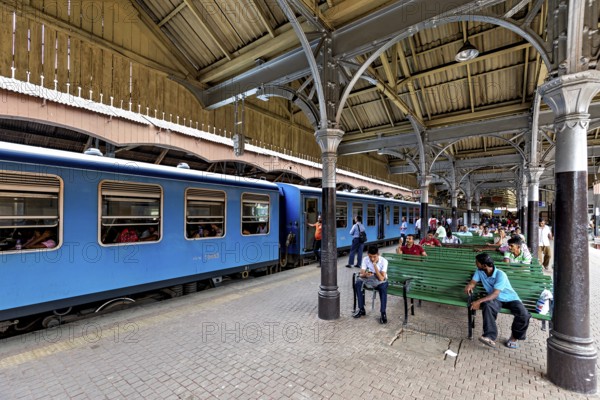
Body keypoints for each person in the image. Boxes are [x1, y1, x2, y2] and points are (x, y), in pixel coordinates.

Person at [464, 253, 530, 349]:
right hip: (496, 299)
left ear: (484, 265)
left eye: (477, 262)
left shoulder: (500, 274)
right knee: (488, 306)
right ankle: (489, 337)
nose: (475, 264)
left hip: (511, 299)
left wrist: (478, 301)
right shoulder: (479, 271)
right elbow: (473, 282)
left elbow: (495, 293)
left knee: (524, 314)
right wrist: (470, 285)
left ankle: (514, 338)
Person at [353, 245, 389, 324]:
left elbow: (382, 278)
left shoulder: (384, 261)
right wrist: (365, 274)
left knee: (383, 287)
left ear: (378, 254)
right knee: (358, 283)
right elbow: (361, 274)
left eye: (374, 257)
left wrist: (375, 265)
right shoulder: (365, 259)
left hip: (380, 279)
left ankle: (383, 313)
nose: (372, 259)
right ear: (367, 254)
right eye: (370, 256)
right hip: (369, 278)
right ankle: (361, 309)